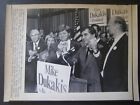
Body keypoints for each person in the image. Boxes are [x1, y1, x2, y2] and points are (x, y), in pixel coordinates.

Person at [101, 16, 128, 92]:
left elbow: (126, 70)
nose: (107, 28)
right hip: (110, 87)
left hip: (117, 89)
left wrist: (121, 91)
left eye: (109, 26)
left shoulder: (125, 42)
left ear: (117, 25)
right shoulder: (114, 41)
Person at [73, 26, 101, 92]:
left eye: (85, 35)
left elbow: (101, 64)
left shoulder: (102, 47)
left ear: (93, 35)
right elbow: (73, 60)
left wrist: (95, 50)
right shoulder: (82, 49)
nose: (83, 38)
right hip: (82, 85)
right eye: (82, 35)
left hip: (95, 87)